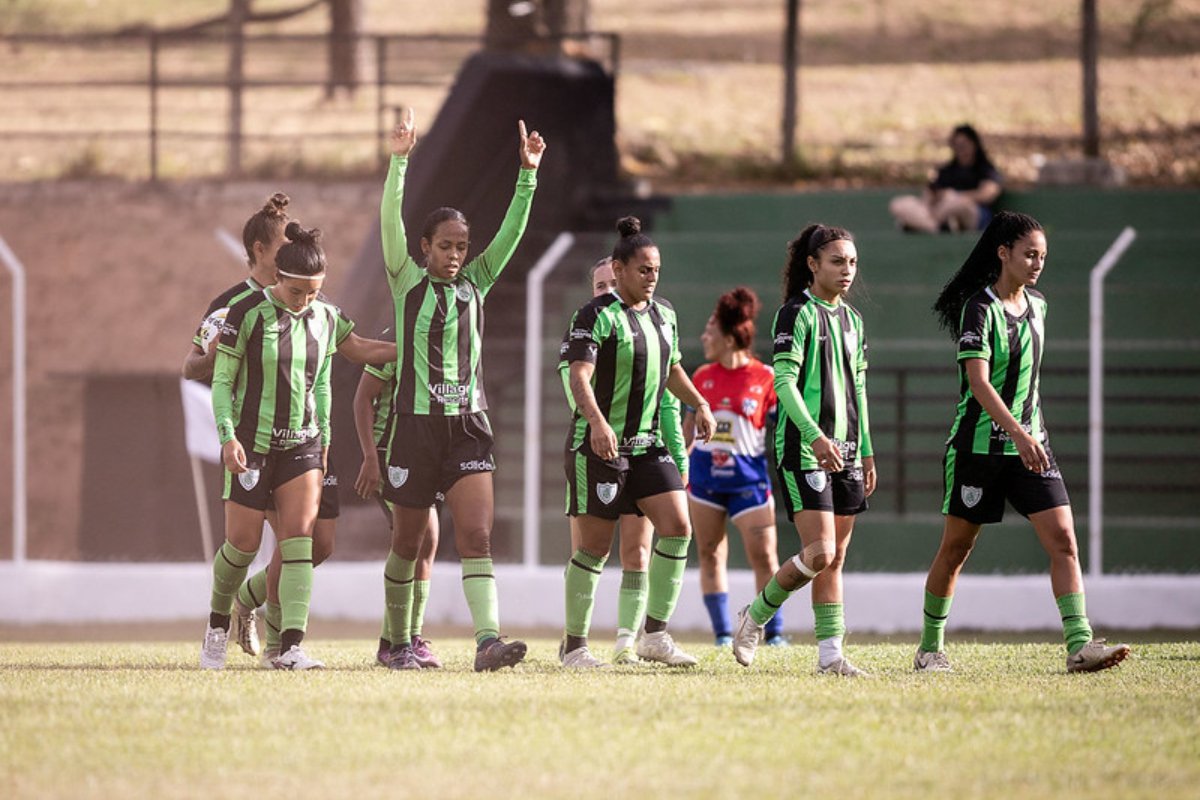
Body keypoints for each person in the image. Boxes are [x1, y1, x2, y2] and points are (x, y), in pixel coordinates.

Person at [913, 211, 1131, 674]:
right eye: (1029, 254)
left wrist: (1031, 434)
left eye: (1043, 256)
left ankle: (1079, 645)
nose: (1037, 264)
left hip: (1032, 446)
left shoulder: (1040, 306)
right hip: (979, 449)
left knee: (1064, 540)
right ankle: (930, 649)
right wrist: (1017, 431)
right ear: (1003, 253)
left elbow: (1029, 381)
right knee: (956, 549)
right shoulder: (979, 309)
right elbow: (978, 382)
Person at [184, 194, 396, 667]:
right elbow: (216, 379)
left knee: (302, 542)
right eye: (298, 292)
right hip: (252, 444)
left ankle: (289, 647)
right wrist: (227, 436)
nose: (305, 301)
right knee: (242, 546)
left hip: (303, 443)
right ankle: (218, 623)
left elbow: (328, 376)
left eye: (314, 292)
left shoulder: (325, 315)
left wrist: (414, 351)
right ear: (275, 270)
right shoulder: (241, 311)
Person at [378, 109, 545, 672]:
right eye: (445, 246)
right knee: (408, 544)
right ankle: (396, 643)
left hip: (469, 425)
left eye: (461, 247)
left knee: (476, 537)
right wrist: (399, 163)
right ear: (424, 247)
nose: (454, 255)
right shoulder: (405, 281)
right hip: (414, 427)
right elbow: (390, 223)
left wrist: (528, 175)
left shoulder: (477, 282)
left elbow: (511, 234)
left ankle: (487, 642)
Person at [559, 216, 716, 669]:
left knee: (679, 528)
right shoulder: (594, 315)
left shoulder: (665, 314)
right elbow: (579, 376)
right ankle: (575, 647)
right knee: (594, 549)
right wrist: (597, 423)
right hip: (600, 447)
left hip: (648, 445)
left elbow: (672, 368)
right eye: (644, 269)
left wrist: (699, 403)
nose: (651, 278)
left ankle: (654, 636)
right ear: (619, 269)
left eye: (656, 271)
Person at [731, 224, 876, 676]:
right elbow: (784, 382)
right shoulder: (795, 314)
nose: (847, 270)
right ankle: (756, 614)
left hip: (848, 450)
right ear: (812, 264)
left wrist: (867, 450)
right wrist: (814, 436)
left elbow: (859, 389)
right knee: (820, 552)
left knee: (835, 559)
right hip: (804, 448)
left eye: (852, 262)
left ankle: (830, 656)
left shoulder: (853, 321)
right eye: (837, 261)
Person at [682, 287, 785, 648]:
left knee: (765, 556)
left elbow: (784, 429)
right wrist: (680, 466)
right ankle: (723, 634)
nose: (703, 337)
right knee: (710, 554)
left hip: (749, 483)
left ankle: (774, 633)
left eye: (709, 331)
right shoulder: (701, 377)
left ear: (727, 339)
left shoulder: (766, 377)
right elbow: (687, 432)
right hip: (704, 483)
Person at [352, 330, 442, 669]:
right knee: (420, 536)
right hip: (389, 454)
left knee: (426, 542)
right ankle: (402, 642)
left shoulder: (448, 335)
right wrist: (370, 457)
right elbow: (363, 399)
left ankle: (396, 641)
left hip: (425, 454)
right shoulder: (397, 336)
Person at [889, 124, 1002, 234]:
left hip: (973, 214)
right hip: (940, 212)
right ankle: (937, 227)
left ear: (974, 144)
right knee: (899, 204)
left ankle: (920, 224)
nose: (961, 150)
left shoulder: (985, 169)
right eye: (957, 146)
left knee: (957, 203)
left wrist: (955, 196)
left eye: (964, 145)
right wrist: (934, 199)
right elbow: (930, 194)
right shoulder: (947, 171)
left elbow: (987, 194)